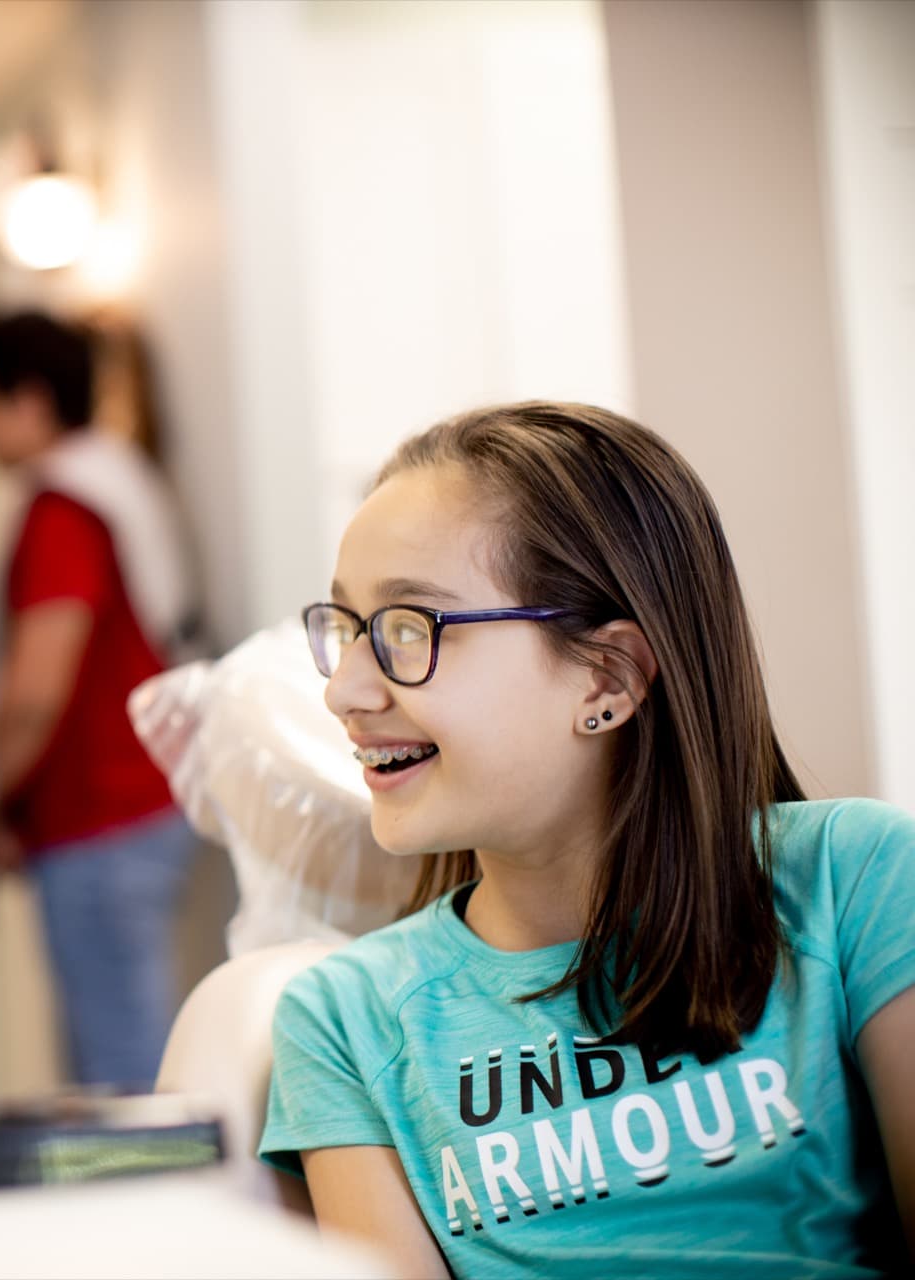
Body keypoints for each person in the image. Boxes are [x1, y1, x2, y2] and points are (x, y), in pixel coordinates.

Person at [259, 401, 914, 1276]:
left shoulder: (855, 881)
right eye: (346, 631)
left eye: (408, 631)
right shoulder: (344, 1023)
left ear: (606, 678)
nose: (345, 691)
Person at [0, 310, 205, 1090]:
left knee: (120, 1063)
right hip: (139, 802)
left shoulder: (63, 510)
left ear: (29, 402)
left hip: (99, 813)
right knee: (125, 1039)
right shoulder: (119, 481)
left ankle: (157, 1208)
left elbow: (37, 686)